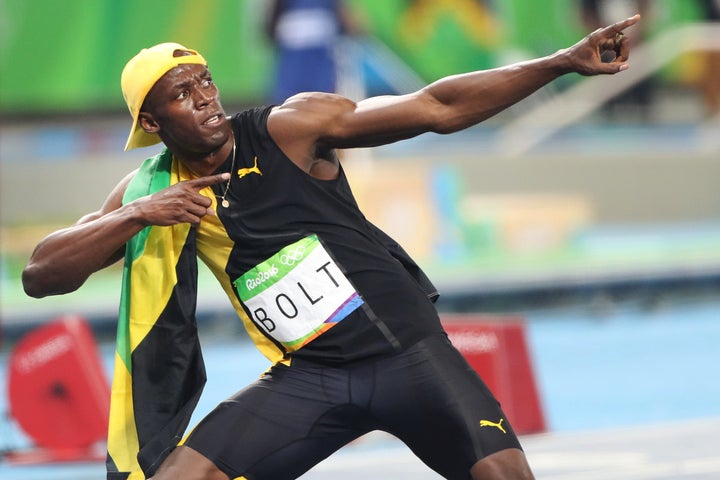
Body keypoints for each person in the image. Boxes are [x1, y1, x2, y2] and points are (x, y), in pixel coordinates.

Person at [22, 14, 640, 480]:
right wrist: (137, 215)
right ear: (151, 124)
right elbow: (41, 273)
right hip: (311, 377)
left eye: (205, 82)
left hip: (410, 355)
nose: (206, 98)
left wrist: (560, 62)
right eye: (182, 95)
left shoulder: (290, 129)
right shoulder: (152, 190)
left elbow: (434, 107)